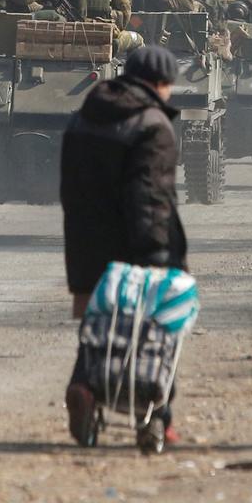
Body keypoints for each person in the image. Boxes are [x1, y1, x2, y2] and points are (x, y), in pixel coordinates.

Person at [62, 45, 187, 450]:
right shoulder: (152, 124)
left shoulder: (86, 114)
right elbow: (149, 197)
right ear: (160, 83)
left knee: (98, 327)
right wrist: (156, 258)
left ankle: (85, 387)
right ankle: (154, 416)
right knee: (154, 331)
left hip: (83, 239)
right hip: (135, 242)